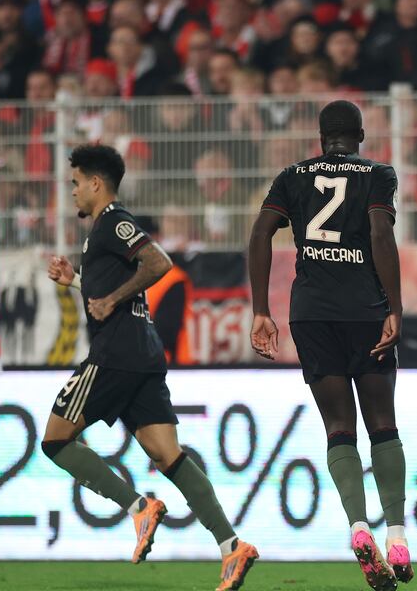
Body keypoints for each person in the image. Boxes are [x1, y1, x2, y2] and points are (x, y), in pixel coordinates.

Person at [44, 144, 258, 590]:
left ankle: (137, 507)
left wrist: (111, 299)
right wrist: (77, 282)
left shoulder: (114, 222)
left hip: (115, 354)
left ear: (96, 183)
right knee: (166, 454)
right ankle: (231, 545)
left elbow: (158, 262)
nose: (73, 192)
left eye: (76, 183)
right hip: (143, 352)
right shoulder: (102, 231)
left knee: (55, 440)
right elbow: (112, 286)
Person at [247, 100, 408, 590]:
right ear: (360, 135)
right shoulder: (377, 174)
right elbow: (380, 233)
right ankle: (397, 535)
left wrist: (260, 309)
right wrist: (395, 307)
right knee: (383, 424)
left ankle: (358, 527)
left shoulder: (291, 176)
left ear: (321, 139)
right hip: (365, 311)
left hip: (311, 313)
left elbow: (260, 233)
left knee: (339, 426)